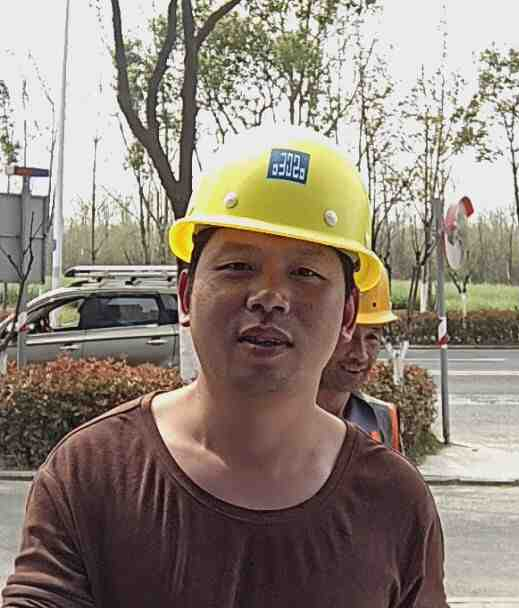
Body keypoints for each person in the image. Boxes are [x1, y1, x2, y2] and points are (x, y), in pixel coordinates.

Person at [2, 126, 448, 608]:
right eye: (238, 266)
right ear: (186, 294)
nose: (270, 297)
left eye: (305, 273)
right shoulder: (93, 473)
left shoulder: (395, 501)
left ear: (347, 314)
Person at [318, 267, 404, 452]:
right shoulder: (271, 422)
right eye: (347, 336)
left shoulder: (382, 418)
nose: (361, 354)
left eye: (372, 337)